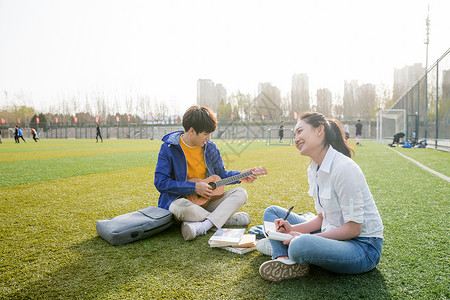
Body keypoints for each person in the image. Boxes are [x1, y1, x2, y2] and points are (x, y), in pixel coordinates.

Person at [258, 111, 383, 282]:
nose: (296, 139)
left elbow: (354, 229)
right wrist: (291, 229)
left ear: (319, 130)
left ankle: (287, 247)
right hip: (330, 230)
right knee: (272, 212)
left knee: (300, 245)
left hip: (362, 247)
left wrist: (304, 237)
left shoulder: (343, 168)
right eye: (294, 135)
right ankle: (282, 259)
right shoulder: (314, 168)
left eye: (300, 132)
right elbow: (322, 218)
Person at [154, 105, 257, 241]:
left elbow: (221, 174)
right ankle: (225, 219)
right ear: (191, 131)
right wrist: (194, 187)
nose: (208, 138)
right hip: (181, 202)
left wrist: (241, 176)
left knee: (240, 193)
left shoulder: (211, 147)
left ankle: (203, 226)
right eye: (205, 134)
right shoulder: (168, 148)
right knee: (182, 209)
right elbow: (160, 182)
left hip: (207, 201)